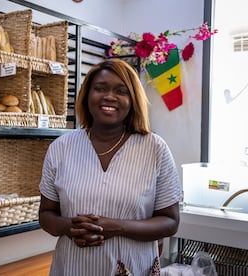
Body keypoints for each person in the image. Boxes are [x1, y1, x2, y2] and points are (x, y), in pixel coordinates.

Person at [39, 58, 182, 276]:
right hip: (72, 268)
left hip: (134, 267)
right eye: (100, 89)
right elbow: (46, 215)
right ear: (87, 96)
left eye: (121, 91)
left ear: (132, 99)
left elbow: (170, 222)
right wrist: (69, 227)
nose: (109, 96)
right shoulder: (61, 148)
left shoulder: (155, 149)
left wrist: (118, 227)